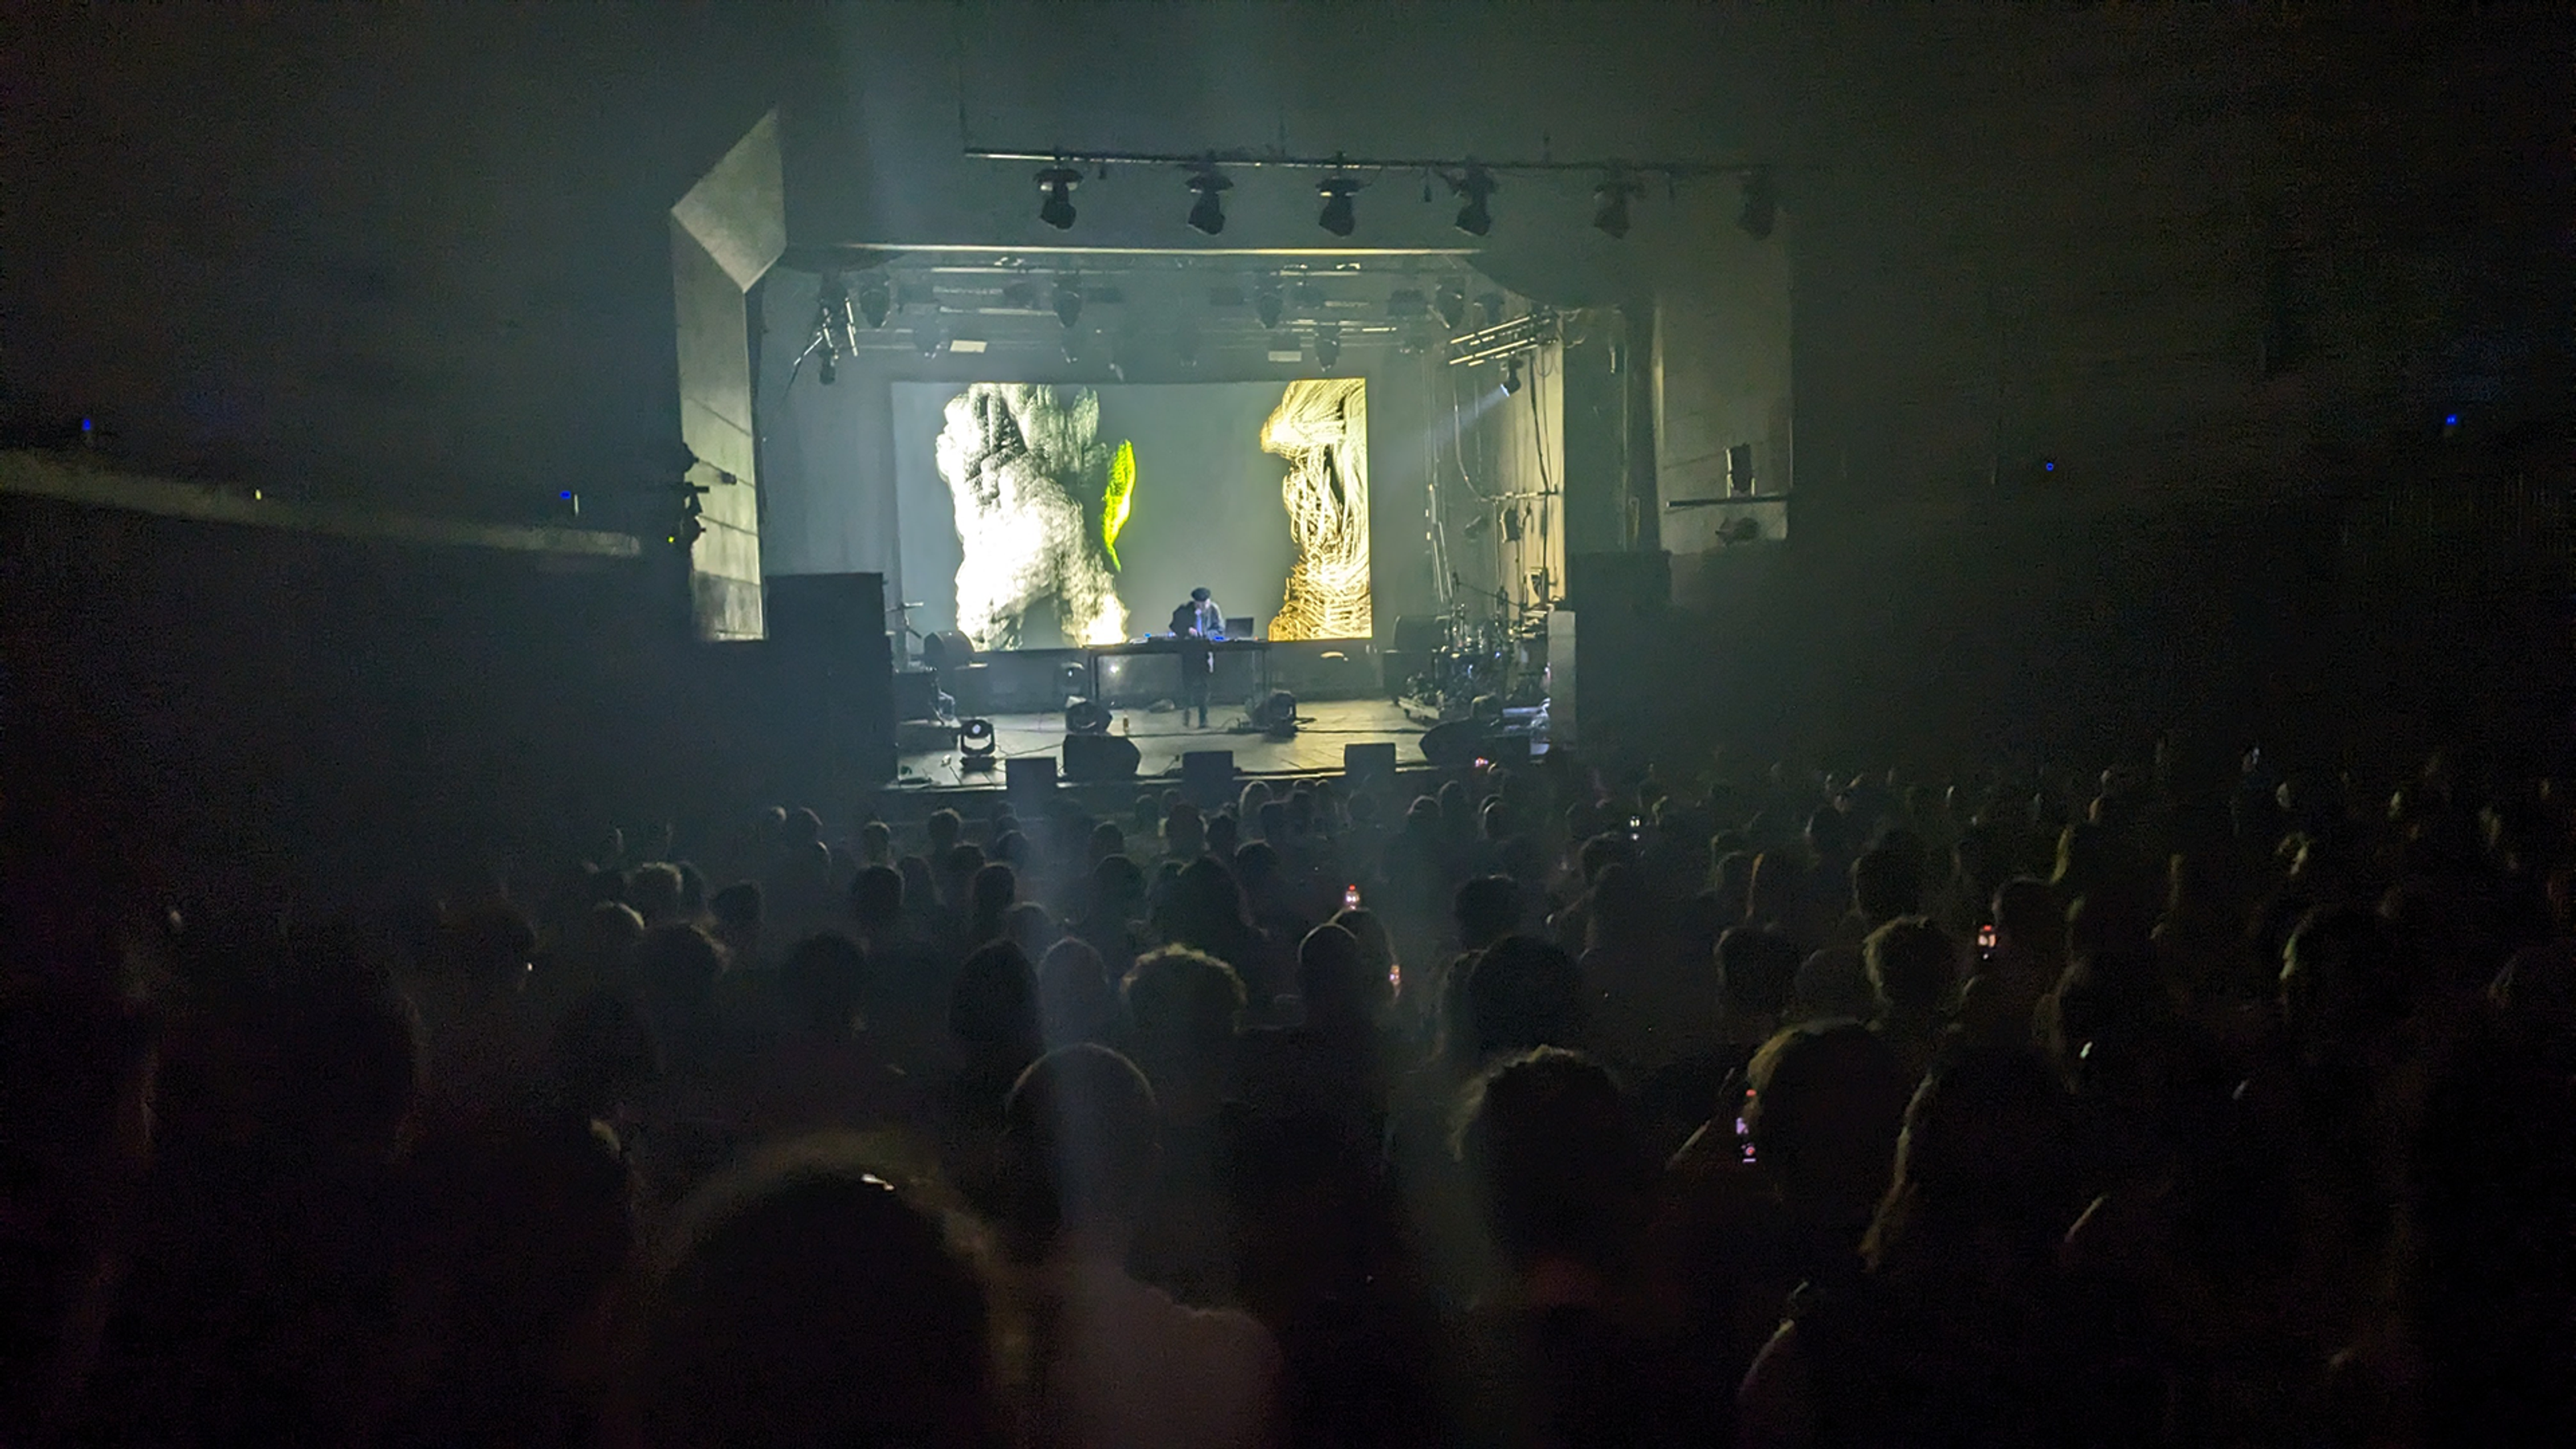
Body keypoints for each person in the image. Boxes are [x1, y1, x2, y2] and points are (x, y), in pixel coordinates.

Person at [1170, 593, 1218, 728]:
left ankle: (1203, 718)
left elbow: (1219, 628)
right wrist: (1187, 630)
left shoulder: (1213, 611)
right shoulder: (1184, 611)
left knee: (1204, 687)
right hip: (1189, 653)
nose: (1202, 607)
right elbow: (1174, 625)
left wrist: (1207, 636)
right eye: (1199, 604)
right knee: (1188, 686)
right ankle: (1187, 714)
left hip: (1204, 653)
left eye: (1205, 604)